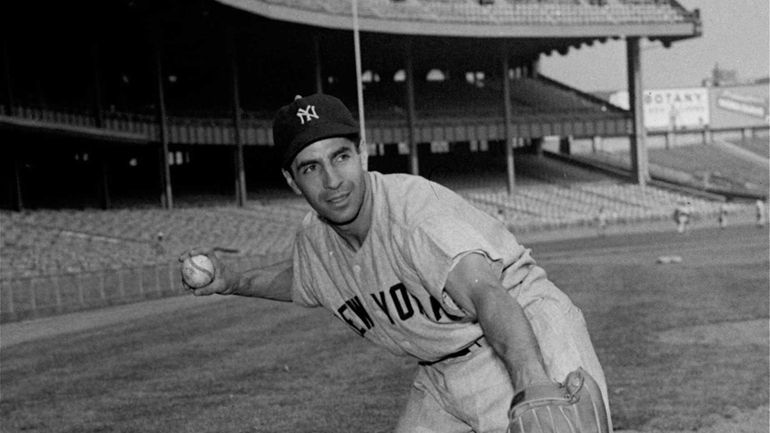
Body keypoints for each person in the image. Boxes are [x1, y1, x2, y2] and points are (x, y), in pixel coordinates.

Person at [180, 93, 612, 433]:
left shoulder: (416, 218)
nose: (332, 181)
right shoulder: (316, 241)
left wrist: (532, 379)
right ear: (292, 181)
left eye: (341, 157)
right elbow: (304, 278)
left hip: (525, 333)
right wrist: (233, 279)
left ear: (362, 154)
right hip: (443, 370)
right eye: (311, 168)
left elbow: (486, 294)